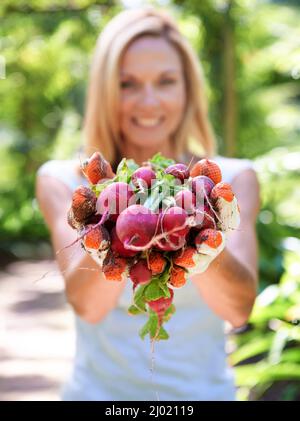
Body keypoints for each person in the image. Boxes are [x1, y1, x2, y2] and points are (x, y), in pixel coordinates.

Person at [36, 6, 260, 401]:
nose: (149, 101)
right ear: (104, 90)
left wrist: (204, 243)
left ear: (188, 88)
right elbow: (87, 306)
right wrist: (108, 226)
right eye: (127, 84)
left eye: (166, 81)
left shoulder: (228, 180)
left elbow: (238, 310)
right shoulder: (65, 181)